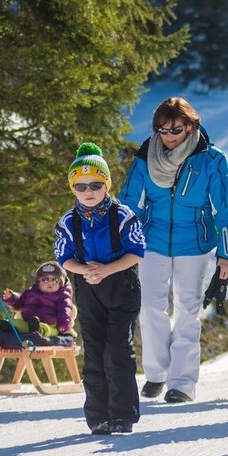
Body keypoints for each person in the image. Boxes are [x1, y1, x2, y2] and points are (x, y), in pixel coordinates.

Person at [119, 97, 228, 403]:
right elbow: (129, 204)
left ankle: (182, 384)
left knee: (187, 310)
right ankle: (157, 372)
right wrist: (125, 245)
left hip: (194, 243)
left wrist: (226, 254)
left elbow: (226, 209)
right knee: (150, 307)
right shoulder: (146, 156)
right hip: (153, 240)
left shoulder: (211, 159)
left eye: (176, 129)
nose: (169, 136)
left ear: (190, 126)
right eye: (163, 129)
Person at [55, 143, 145, 435]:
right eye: (80, 186)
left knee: (117, 349)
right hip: (88, 288)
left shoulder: (122, 215)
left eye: (95, 184)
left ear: (106, 184)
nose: (88, 191)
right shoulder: (69, 221)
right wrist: (84, 271)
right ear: (73, 188)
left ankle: (123, 415)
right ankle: (98, 416)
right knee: (94, 351)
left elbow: (137, 252)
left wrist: (106, 270)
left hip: (121, 283)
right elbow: (63, 257)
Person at [0, 260, 73, 337]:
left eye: (55, 280)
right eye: (45, 280)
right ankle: (10, 328)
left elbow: (65, 310)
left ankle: (39, 331)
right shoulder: (30, 292)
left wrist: (63, 325)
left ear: (60, 283)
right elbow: (20, 302)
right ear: (38, 282)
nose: (50, 283)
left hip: (50, 325)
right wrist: (11, 298)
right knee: (14, 322)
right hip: (27, 322)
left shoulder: (62, 297)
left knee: (46, 329)